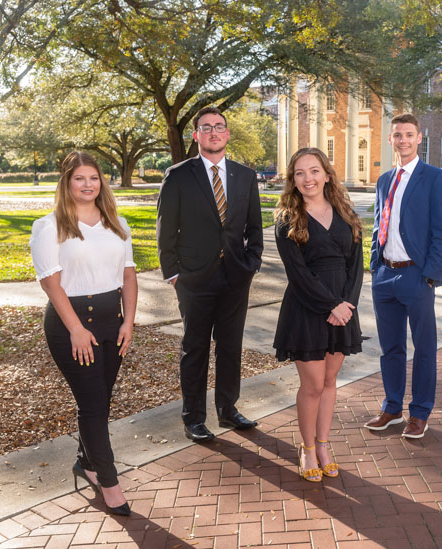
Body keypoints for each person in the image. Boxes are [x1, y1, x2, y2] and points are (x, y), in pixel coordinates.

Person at [29, 151, 137, 516]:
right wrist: (76, 328)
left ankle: (86, 462)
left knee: (101, 400)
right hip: (70, 323)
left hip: (113, 320)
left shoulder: (117, 223)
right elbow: (50, 283)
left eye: (94, 177)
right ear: (67, 182)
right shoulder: (50, 226)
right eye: (80, 178)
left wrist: (128, 321)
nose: (88, 184)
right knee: (93, 404)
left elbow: (129, 276)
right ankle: (109, 483)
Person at [156, 106, 263, 442]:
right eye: (206, 128)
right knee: (196, 347)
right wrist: (173, 273)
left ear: (227, 133)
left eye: (219, 127)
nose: (214, 132)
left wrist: (252, 264)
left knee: (230, 346)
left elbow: (255, 227)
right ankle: (193, 418)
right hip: (193, 278)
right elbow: (165, 229)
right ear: (196, 135)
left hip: (235, 276)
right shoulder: (178, 175)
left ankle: (228, 410)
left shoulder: (245, 176)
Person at [273, 148, 364, 482]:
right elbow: (298, 275)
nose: (307, 178)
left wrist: (347, 306)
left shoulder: (346, 213)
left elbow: (356, 266)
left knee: (329, 381)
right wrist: (331, 306)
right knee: (311, 385)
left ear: (327, 174)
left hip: (343, 310)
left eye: (314, 171)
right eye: (300, 173)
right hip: (307, 310)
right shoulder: (287, 220)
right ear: (293, 180)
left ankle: (324, 445)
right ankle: (307, 448)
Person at [365, 113, 442, 439]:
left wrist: (429, 275)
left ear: (419, 138)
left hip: (416, 277)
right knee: (390, 348)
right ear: (391, 139)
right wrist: (375, 267)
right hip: (384, 276)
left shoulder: (434, 178)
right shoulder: (384, 180)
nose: (402, 140)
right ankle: (391, 408)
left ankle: (419, 413)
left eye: (408, 135)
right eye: (397, 135)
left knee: (424, 348)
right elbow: (379, 225)